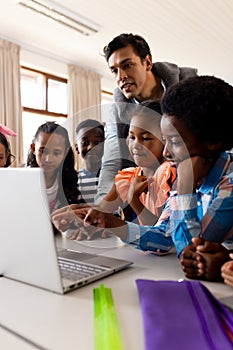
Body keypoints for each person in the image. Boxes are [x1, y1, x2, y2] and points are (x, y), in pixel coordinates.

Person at [52, 76, 233, 259]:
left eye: (175, 141)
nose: (166, 153)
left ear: (213, 141)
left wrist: (185, 187)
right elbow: (163, 237)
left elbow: (190, 251)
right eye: (165, 140)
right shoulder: (188, 174)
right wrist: (110, 222)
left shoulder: (228, 185)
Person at [96, 33, 197, 205]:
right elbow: (111, 162)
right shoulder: (118, 111)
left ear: (148, 62)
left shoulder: (190, 88)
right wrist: (100, 209)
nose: (121, 76)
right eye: (114, 71)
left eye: (127, 65)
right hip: (153, 201)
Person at [62, 101, 176, 240]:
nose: (136, 145)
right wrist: (81, 213)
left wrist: (134, 200)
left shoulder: (170, 174)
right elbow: (101, 209)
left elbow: (161, 234)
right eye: (132, 137)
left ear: (165, 140)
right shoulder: (127, 177)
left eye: (145, 138)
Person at [27, 121, 78, 213]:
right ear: (33, 148)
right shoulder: (23, 179)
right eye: (43, 151)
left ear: (65, 153)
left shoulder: (72, 180)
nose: (48, 159)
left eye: (56, 153)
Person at [75, 119, 105, 205]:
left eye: (97, 143)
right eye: (85, 143)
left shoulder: (112, 176)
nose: (91, 147)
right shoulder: (74, 180)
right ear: (77, 148)